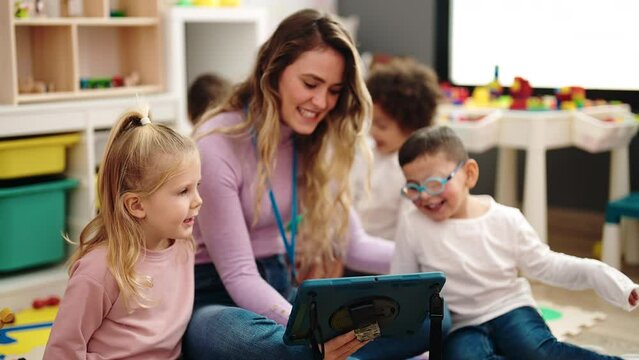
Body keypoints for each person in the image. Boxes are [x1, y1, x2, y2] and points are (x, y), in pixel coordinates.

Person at [184, 8, 447, 360]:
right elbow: (239, 274)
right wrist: (309, 334)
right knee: (284, 348)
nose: (322, 102)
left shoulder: (314, 141)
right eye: (310, 84)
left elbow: (355, 247)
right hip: (216, 301)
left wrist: (436, 260)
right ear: (272, 71)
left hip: (283, 291)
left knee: (435, 322)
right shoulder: (215, 143)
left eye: (334, 90)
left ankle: (330, 355)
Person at [391, 126, 639, 360]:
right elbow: (403, 283)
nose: (424, 196)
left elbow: (548, 265)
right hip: (459, 325)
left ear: (469, 174)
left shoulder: (506, 219)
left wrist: (603, 275)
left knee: (537, 351)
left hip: (510, 309)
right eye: (413, 188)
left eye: (434, 184)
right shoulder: (412, 224)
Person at [44, 107, 203, 359]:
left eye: (197, 186)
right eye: (183, 191)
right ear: (137, 205)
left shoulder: (183, 245)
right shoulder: (99, 270)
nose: (198, 200)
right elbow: (60, 352)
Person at [352, 57, 441, 241]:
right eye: (371, 122)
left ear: (411, 127)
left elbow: (408, 237)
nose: (372, 131)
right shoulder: (369, 153)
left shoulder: (413, 172)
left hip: (383, 257)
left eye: (382, 126)